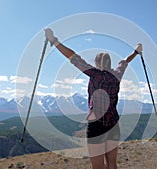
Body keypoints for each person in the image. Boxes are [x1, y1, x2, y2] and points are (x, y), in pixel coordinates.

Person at [44, 28, 142, 169]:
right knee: (112, 164)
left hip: (96, 125)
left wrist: (54, 41)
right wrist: (136, 51)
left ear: (97, 63)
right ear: (109, 63)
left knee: (98, 167)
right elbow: (124, 62)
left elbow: (73, 57)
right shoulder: (117, 75)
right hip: (113, 124)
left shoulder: (94, 74)